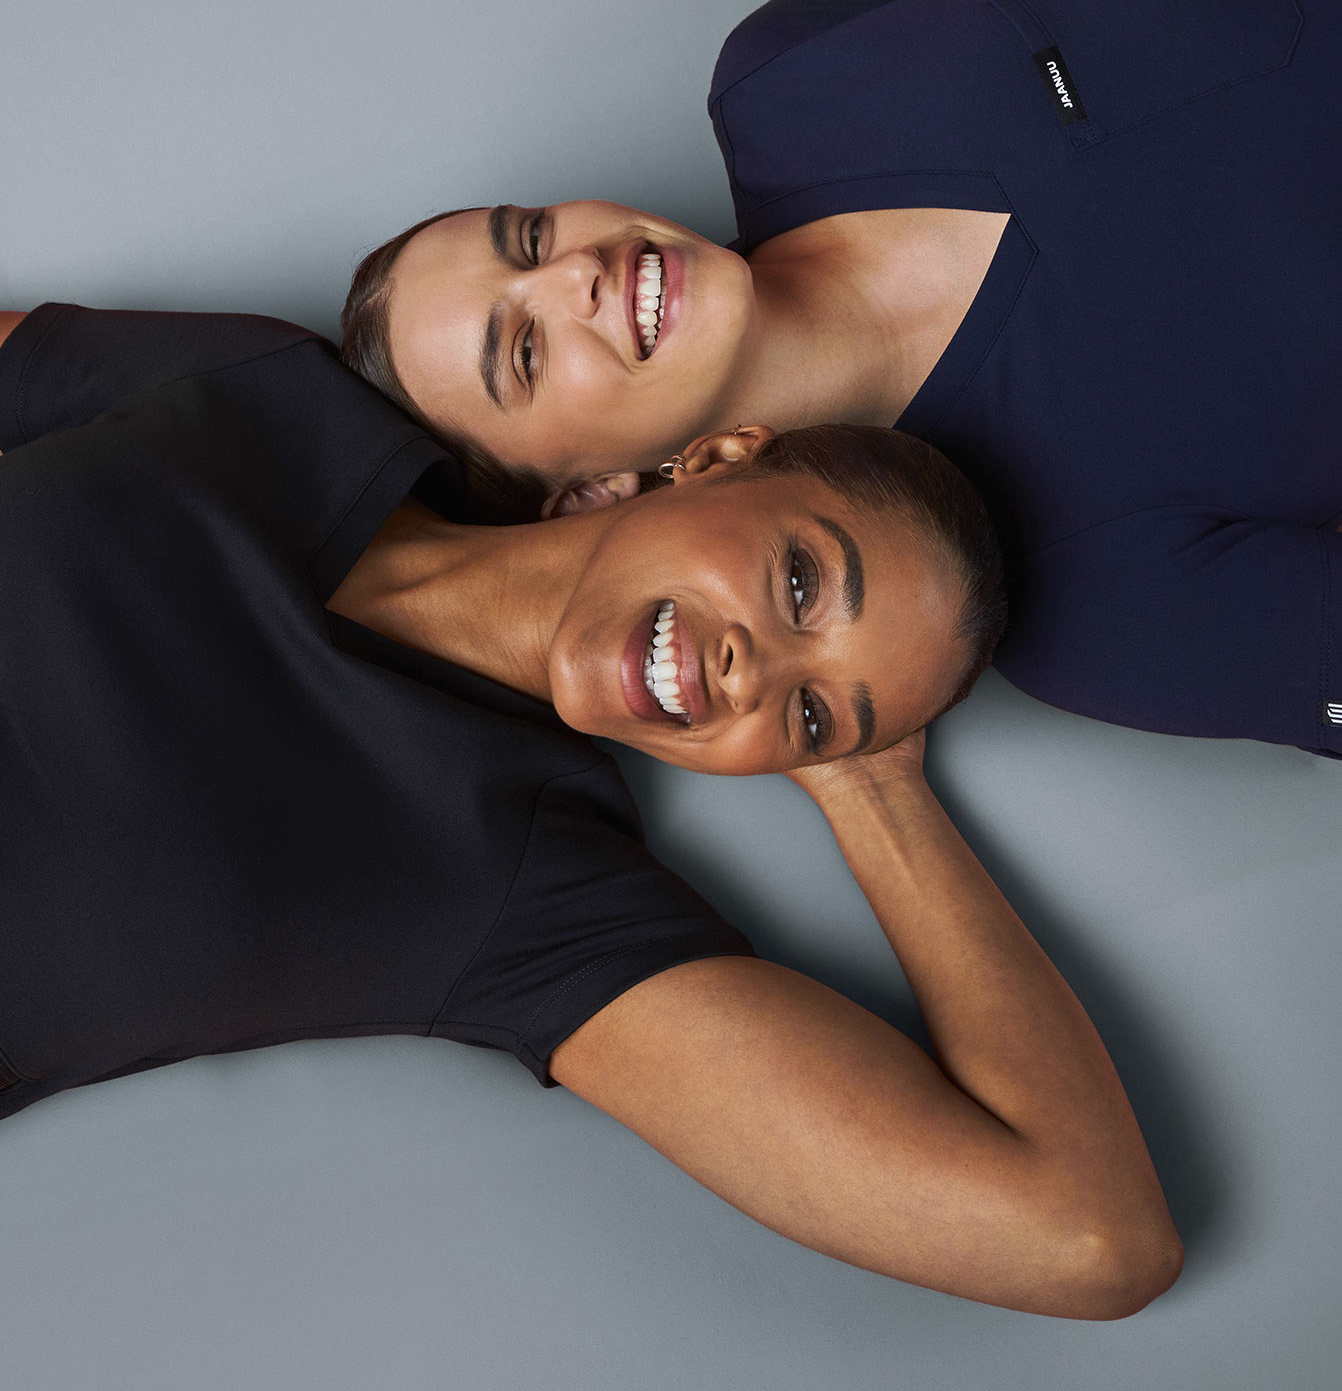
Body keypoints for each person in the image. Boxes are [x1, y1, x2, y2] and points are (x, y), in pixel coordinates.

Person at [0, 304, 1179, 1317]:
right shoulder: (273, 393)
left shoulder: (530, 898)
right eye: (800, 583)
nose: (750, 671)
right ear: (717, 457)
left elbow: (1087, 1239)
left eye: (814, 712)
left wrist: (872, 780)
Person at [340, 0, 1342, 758]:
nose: (575, 274)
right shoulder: (1089, 613)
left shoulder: (788, 75)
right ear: (594, 491)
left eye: (529, 235)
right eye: (524, 351)